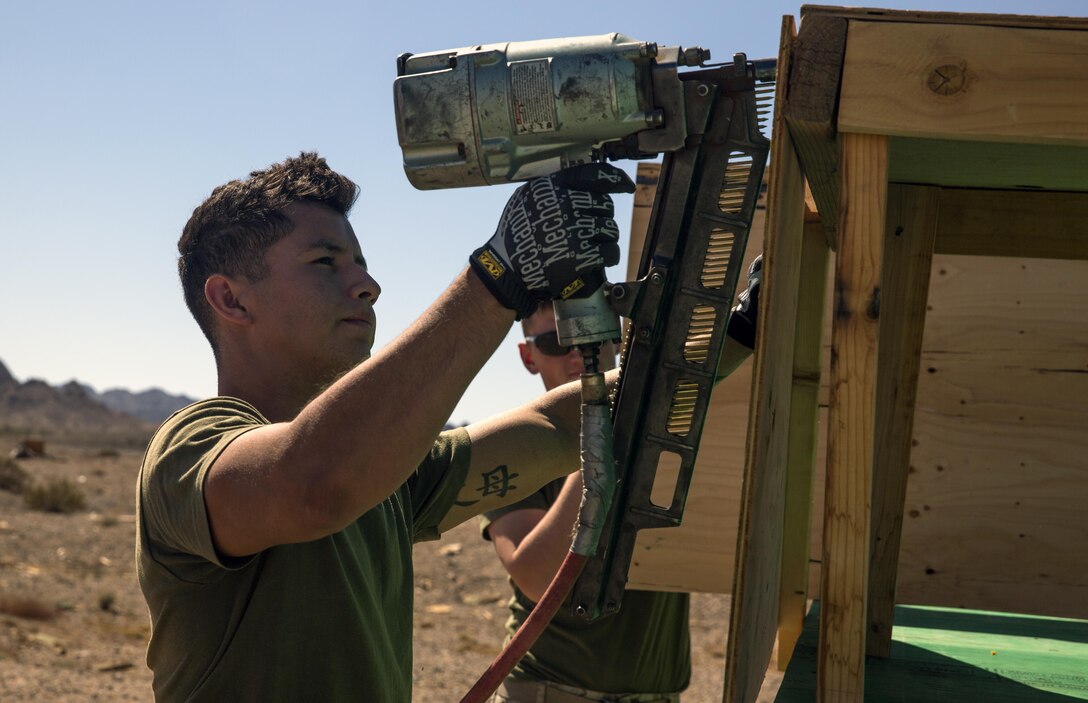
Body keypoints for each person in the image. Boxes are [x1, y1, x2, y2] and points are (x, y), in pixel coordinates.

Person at [135, 152, 635, 702]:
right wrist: (498, 274)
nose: (368, 284)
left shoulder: (389, 467)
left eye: (361, 262)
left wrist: (724, 334)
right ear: (230, 298)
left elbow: (558, 427)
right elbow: (312, 485)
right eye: (326, 262)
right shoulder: (189, 448)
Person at [480, 256, 761, 702]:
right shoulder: (513, 442)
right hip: (551, 692)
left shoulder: (663, 421)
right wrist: (606, 431)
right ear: (528, 356)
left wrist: (743, 331)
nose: (577, 352)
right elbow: (536, 577)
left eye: (593, 327)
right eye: (556, 340)